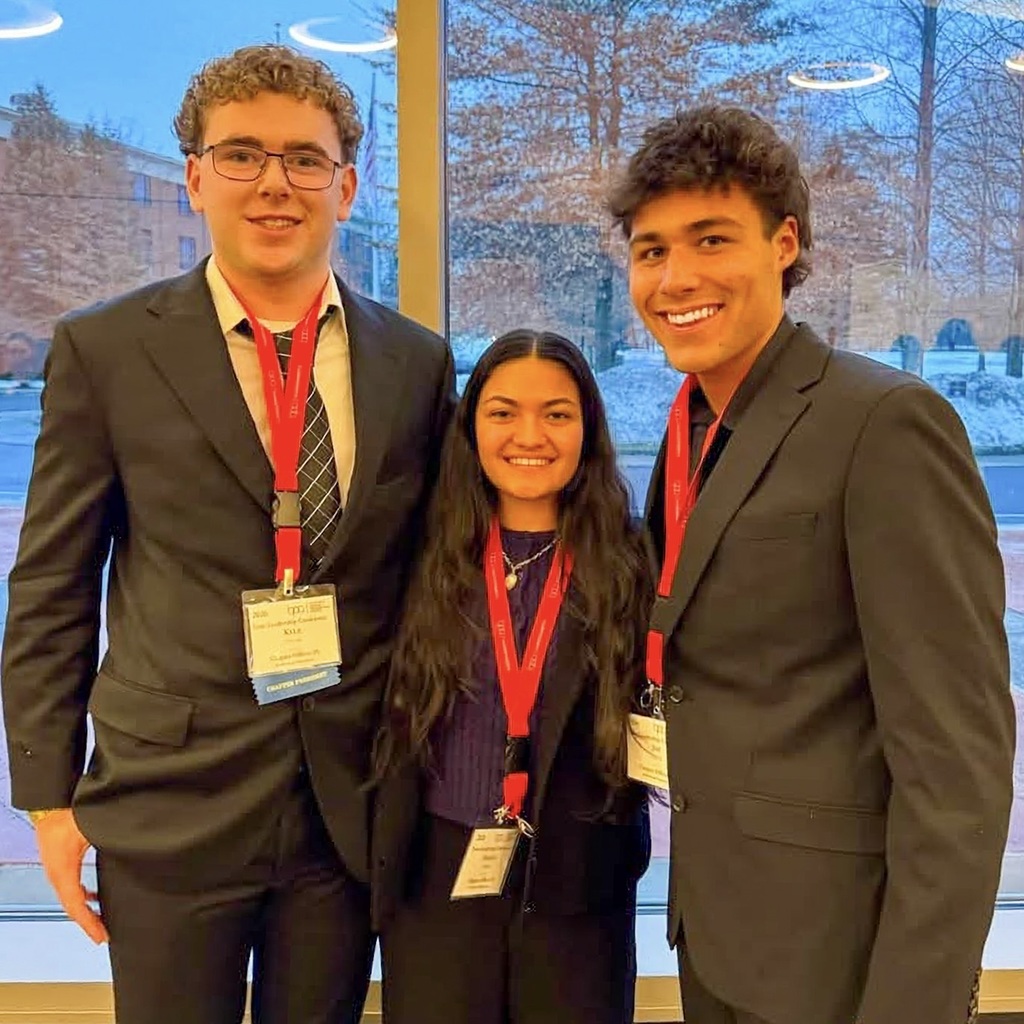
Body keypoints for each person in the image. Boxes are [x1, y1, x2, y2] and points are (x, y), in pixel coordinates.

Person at [1, 44, 453, 1024]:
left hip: (346, 802)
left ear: (347, 183)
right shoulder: (107, 349)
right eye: (242, 155)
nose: (274, 184)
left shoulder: (416, 364)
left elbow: (430, 578)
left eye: (304, 158)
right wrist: (47, 795)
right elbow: (51, 583)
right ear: (197, 176)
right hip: (172, 799)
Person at [608, 105, 1016, 1024]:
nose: (676, 278)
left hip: (838, 959)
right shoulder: (692, 428)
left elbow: (957, 763)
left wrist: (913, 1003)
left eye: (711, 239)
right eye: (651, 250)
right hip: (717, 930)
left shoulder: (883, 423)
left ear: (784, 243)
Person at [371, 330, 652, 1024]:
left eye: (557, 413)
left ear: (588, 427)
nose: (530, 434)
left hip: (578, 875)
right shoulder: (419, 555)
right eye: (502, 412)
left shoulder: (630, 562)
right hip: (438, 877)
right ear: (470, 427)